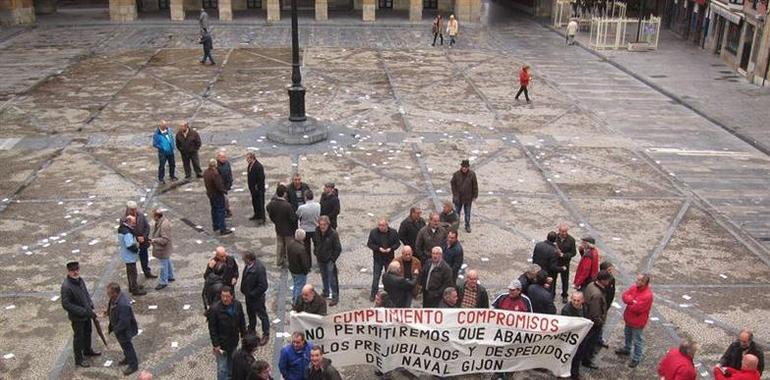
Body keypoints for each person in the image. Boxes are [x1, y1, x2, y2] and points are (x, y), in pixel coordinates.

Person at [60, 261, 100, 368]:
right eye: (72, 271)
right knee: (78, 338)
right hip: (77, 317)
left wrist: (90, 304)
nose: (75, 272)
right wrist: (82, 311)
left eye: (77, 269)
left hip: (87, 313)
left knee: (88, 332)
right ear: (68, 272)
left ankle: (87, 350)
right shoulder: (66, 286)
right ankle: (79, 359)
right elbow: (66, 304)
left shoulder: (80, 280)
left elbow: (85, 293)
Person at [208, 286, 246, 380]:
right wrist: (216, 344)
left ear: (232, 296)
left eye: (227, 296)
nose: (225, 299)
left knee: (232, 363)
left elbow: (241, 320)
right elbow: (212, 328)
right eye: (223, 296)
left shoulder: (237, 305)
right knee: (222, 368)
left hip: (233, 341)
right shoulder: (215, 309)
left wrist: (243, 334)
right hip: (222, 343)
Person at [616, 273, 654, 367]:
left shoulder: (647, 295)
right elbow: (624, 296)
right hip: (629, 318)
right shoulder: (634, 287)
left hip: (638, 322)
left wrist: (630, 300)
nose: (637, 281)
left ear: (645, 283)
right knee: (627, 334)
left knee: (637, 340)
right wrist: (632, 301)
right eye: (637, 279)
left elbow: (637, 308)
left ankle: (637, 357)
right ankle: (627, 348)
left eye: (640, 280)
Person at [106, 282, 139, 375]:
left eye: (109, 294)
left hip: (124, 331)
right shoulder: (116, 298)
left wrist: (116, 330)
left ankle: (133, 365)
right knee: (124, 346)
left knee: (127, 346)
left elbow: (124, 322)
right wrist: (108, 312)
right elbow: (111, 304)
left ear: (115, 293)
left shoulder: (123, 305)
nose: (108, 295)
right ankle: (127, 358)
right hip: (119, 328)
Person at [582, 270, 613, 368]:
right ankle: (587, 360)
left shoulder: (591, 285)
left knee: (588, 340)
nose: (609, 282)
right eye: (607, 280)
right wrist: (600, 322)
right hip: (594, 323)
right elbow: (595, 313)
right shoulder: (597, 295)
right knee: (590, 342)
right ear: (603, 281)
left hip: (587, 317)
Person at [366, 217, 401, 301]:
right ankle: (373, 294)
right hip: (378, 258)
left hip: (389, 258)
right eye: (379, 225)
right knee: (376, 277)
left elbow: (397, 243)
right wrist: (378, 248)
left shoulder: (393, 232)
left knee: (389, 277)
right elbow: (370, 244)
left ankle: (389, 294)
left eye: (383, 225)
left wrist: (391, 248)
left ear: (387, 225)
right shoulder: (373, 232)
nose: (381, 227)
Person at [240, 252, 270, 346]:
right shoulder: (248, 266)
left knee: (262, 315)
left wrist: (253, 294)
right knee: (250, 314)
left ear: (249, 259)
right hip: (248, 296)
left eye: (244, 259)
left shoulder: (259, 269)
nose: (243, 260)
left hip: (257, 298)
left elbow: (263, 286)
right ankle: (251, 330)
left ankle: (266, 334)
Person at [313, 215, 341, 306]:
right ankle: (325, 292)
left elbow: (338, 248)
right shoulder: (316, 231)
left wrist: (332, 259)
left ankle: (335, 296)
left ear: (328, 224)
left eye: (324, 224)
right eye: (321, 224)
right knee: (324, 277)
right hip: (320, 259)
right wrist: (316, 251)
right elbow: (315, 242)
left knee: (332, 279)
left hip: (329, 260)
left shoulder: (333, 234)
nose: (322, 226)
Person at [266, 184, 297, 267]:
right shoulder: (287, 206)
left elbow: (268, 208)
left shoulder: (272, 204)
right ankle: (290, 262)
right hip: (288, 230)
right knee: (289, 246)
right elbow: (293, 219)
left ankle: (279, 261)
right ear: (284, 194)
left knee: (280, 245)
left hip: (279, 228)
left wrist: (274, 220)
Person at [125, 201, 156, 279]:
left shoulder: (141, 215)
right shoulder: (124, 219)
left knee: (144, 258)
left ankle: (147, 272)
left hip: (143, 242)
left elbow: (147, 227)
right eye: (132, 210)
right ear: (128, 209)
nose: (134, 211)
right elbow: (125, 232)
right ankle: (134, 281)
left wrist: (144, 237)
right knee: (132, 263)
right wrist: (136, 238)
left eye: (135, 209)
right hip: (133, 244)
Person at [118, 215, 147, 296]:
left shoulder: (122, 229)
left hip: (126, 255)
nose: (135, 224)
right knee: (133, 273)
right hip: (129, 256)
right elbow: (130, 245)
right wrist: (137, 249)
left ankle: (132, 286)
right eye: (133, 223)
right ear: (128, 222)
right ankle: (135, 289)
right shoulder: (127, 233)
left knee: (130, 272)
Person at [561, 291, 586, 379]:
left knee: (577, 357)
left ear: (582, 300)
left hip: (581, 338)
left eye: (578, 300)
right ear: (571, 299)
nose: (576, 302)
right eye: (574, 300)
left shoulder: (585, 307)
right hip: (570, 339)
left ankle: (575, 374)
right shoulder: (566, 310)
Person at [204, 159, 232, 235]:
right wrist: (224, 191)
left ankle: (215, 225)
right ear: (215, 165)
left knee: (214, 210)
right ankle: (223, 229)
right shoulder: (215, 174)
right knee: (221, 211)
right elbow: (219, 186)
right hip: (217, 195)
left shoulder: (206, 172)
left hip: (210, 194)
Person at [450, 159, 478, 233]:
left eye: (465, 167)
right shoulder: (456, 174)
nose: (464, 168)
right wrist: (455, 194)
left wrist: (475, 195)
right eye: (463, 167)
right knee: (457, 213)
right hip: (458, 198)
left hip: (468, 198)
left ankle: (467, 225)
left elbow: (475, 185)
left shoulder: (472, 174)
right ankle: (455, 226)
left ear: (468, 167)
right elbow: (452, 184)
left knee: (467, 213)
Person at [150, 209, 174, 291]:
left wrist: (155, 240)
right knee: (167, 261)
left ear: (157, 216)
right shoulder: (162, 221)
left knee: (163, 265)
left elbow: (164, 240)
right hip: (165, 250)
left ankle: (163, 281)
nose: (152, 218)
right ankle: (170, 276)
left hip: (163, 249)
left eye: (153, 216)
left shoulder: (163, 225)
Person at [296, 190, 321, 267]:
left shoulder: (302, 208)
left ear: (305, 197)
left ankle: (308, 264)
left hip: (305, 229)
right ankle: (319, 262)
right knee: (317, 246)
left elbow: (297, 215)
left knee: (306, 248)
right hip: (315, 228)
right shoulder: (318, 205)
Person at [555, 223, 577, 303]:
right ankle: (552, 293)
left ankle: (564, 295)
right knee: (553, 279)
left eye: (565, 231)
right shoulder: (555, 238)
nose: (564, 233)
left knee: (565, 280)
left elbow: (573, 253)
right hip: (555, 262)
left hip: (565, 263)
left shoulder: (571, 240)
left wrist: (564, 255)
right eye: (562, 232)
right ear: (559, 231)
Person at [287, 229, 311, 303]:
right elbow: (304, 263)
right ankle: (296, 303)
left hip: (292, 269)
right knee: (300, 288)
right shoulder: (301, 249)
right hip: (299, 271)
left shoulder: (290, 244)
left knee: (296, 285)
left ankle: (294, 299)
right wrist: (306, 271)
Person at [246, 152, 266, 223]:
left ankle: (262, 218)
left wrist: (257, 187)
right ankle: (256, 214)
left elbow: (261, 178)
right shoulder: (250, 165)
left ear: (252, 158)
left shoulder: (258, 166)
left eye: (248, 158)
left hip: (258, 189)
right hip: (253, 189)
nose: (247, 160)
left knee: (260, 203)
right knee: (255, 202)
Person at [216, 150, 234, 218]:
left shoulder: (227, 163)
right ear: (218, 158)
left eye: (224, 157)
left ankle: (226, 211)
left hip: (227, 185)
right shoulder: (216, 166)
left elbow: (229, 172)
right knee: (224, 199)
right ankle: (226, 211)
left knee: (224, 199)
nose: (223, 159)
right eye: (222, 157)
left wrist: (231, 181)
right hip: (221, 186)